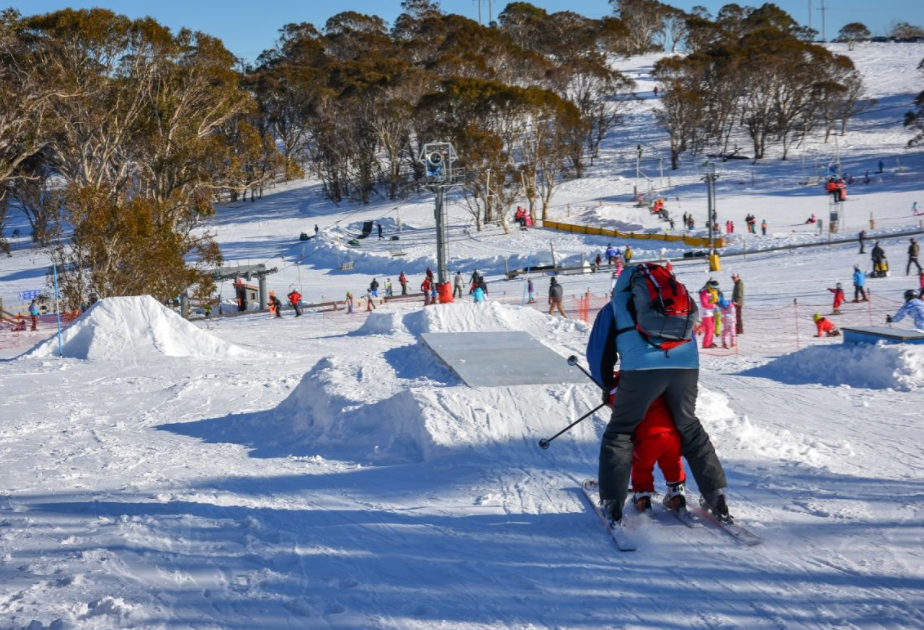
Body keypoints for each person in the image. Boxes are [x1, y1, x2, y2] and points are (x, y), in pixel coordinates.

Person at [590, 264, 731, 526]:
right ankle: (717, 496)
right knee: (689, 426)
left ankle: (613, 503)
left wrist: (607, 384)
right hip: (686, 368)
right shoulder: (675, 300)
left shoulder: (618, 304)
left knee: (620, 431)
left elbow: (599, 352)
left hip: (641, 370)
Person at [601, 371, 687, 514]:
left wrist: (607, 396)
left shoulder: (619, 385)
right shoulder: (653, 379)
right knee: (673, 463)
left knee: (642, 467)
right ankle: (677, 494)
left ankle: (643, 498)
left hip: (646, 437)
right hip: (671, 434)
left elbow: (615, 403)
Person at [699, 280, 719, 348]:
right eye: (715, 288)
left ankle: (710, 342)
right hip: (705, 313)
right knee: (709, 328)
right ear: (710, 287)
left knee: (712, 328)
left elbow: (716, 299)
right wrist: (713, 306)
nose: (716, 290)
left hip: (711, 312)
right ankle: (706, 344)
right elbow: (704, 304)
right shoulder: (704, 294)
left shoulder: (713, 292)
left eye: (717, 288)